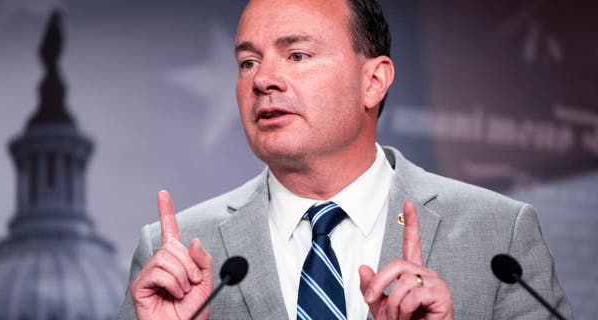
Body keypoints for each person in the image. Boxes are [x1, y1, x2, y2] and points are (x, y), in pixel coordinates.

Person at [118, 0, 572, 319]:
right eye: (248, 63)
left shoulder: (499, 237)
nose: (264, 80)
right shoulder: (172, 255)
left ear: (374, 80)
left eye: (296, 54)